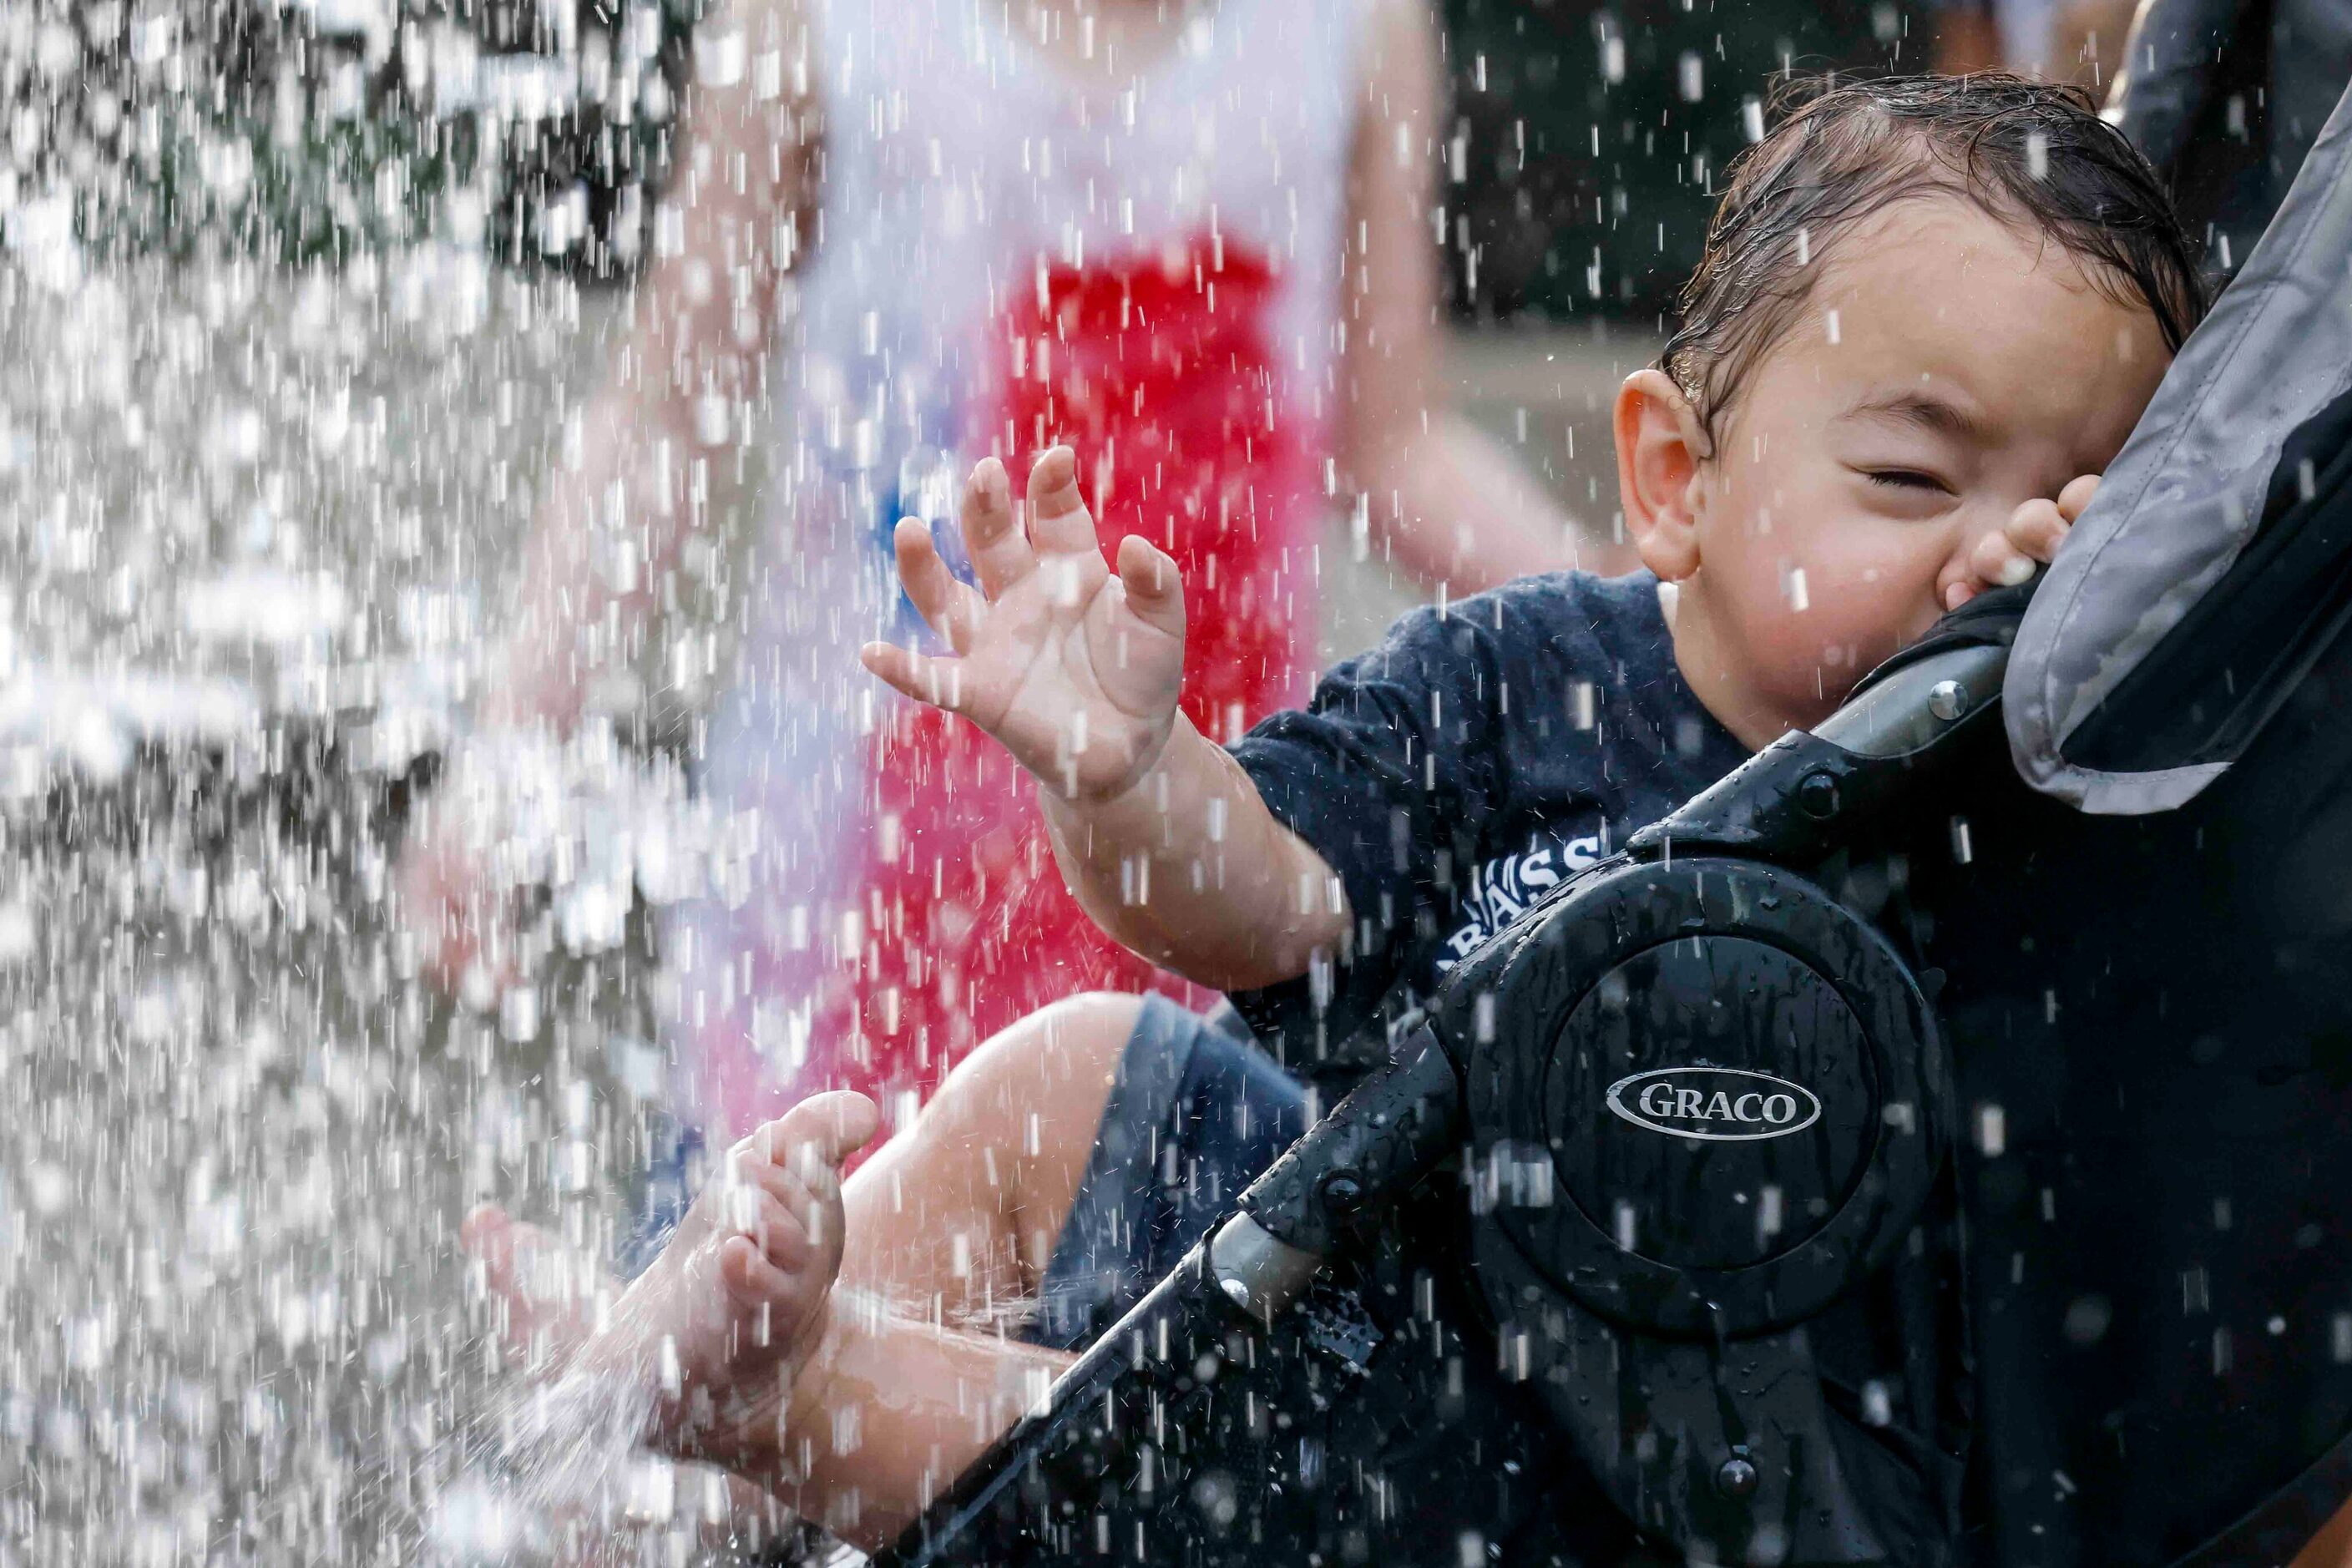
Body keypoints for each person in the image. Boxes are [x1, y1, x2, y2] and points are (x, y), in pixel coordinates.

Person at [467, 73, 2208, 1550]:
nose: (2001, 556)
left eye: (2081, 516)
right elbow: (1268, 900)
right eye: (1910, 479)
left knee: (1209, 1397)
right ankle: (700, 1405)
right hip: (1358, 1312)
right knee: (1080, 1076)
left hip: (1627, 1485)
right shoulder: (1532, 685)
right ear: (1677, 481)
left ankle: (783, 1390)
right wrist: (1129, 775)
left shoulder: (2062, 834)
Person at [397, 0, 1588, 1153]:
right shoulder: (823, 25)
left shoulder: (1347, 32)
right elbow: (668, 417)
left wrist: (1641, 636)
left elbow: (1392, 447)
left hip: (1193, 912)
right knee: (769, 1308)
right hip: (830, 942)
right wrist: (512, 747)